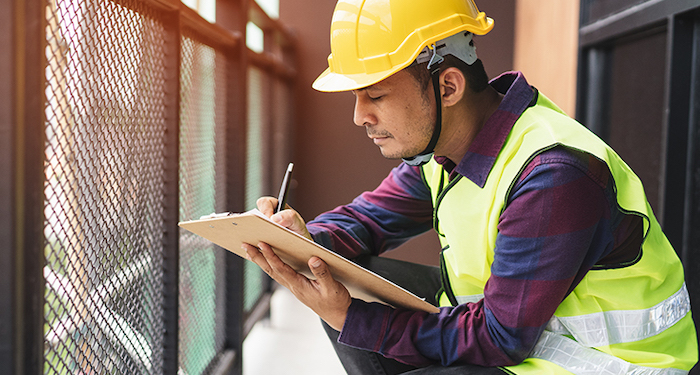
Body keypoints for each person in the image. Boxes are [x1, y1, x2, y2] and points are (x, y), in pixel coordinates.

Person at [242, 0, 698, 373]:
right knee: (342, 280)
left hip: (611, 366)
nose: (360, 116)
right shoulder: (448, 150)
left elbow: (499, 342)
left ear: (449, 86)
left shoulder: (552, 174)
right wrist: (303, 240)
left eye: (375, 95)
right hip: (526, 341)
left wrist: (351, 317)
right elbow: (367, 219)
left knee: (357, 316)